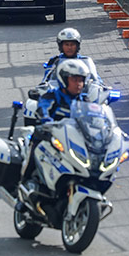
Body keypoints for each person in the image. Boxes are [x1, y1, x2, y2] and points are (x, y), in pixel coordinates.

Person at [20, 59, 90, 198]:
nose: (78, 84)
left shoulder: (84, 101)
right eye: (74, 80)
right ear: (64, 80)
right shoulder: (52, 96)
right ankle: (24, 182)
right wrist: (46, 120)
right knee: (36, 148)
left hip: (73, 138)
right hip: (50, 135)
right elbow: (43, 108)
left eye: (81, 80)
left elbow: (93, 118)